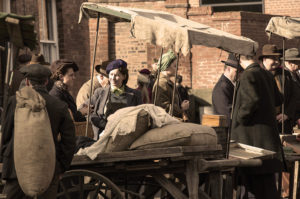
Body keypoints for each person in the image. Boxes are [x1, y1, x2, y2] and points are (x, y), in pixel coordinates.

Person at [0, 64, 76, 199]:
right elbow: (69, 141)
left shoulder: (14, 101)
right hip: (47, 168)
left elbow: (6, 135)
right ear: (46, 82)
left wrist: (7, 158)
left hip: (16, 169)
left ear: (27, 82)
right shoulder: (59, 105)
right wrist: (60, 167)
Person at [231, 54, 283, 199]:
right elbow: (279, 99)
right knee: (266, 188)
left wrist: (239, 118)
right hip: (266, 140)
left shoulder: (248, 74)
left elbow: (250, 102)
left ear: (240, 59)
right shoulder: (266, 74)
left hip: (252, 142)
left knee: (253, 188)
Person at [88, 59, 142, 140]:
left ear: (124, 76)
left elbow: (140, 116)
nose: (113, 78)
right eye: (111, 74)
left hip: (125, 137)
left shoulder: (135, 95)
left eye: (117, 75)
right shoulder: (99, 93)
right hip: (103, 136)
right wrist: (104, 124)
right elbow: (90, 112)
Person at [259, 44, 297, 134]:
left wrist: (287, 113)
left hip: (283, 124)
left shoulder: (285, 74)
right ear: (264, 59)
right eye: (273, 58)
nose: (276, 62)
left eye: (278, 59)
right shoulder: (257, 74)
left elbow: (295, 96)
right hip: (264, 124)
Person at [152, 50, 189, 119]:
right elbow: (163, 108)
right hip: (167, 123)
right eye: (175, 66)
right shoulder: (161, 83)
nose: (177, 68)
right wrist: (181, 108)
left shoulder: (168, 82)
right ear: (166, 67)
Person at [212, 53, 241, 125]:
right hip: (226, 131)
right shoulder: (222, 87)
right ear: (228, 69)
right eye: (236, 72)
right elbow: (227, 114)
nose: (238, 75)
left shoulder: (229, 84)